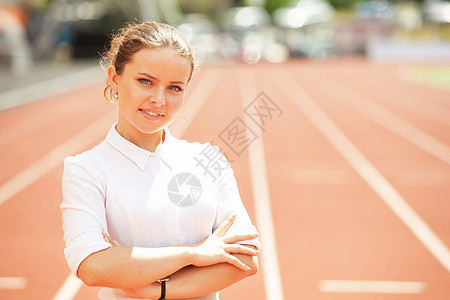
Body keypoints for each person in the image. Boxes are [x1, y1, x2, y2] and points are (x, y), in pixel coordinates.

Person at [60, 21, 260, 300]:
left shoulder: (209, 160)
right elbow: (91, 266)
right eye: (145, 81)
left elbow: (247, 259)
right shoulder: (86, 170)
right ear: (115, 79)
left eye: (174, 88)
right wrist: (196, 252)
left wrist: (159, 290)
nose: (159, 99)